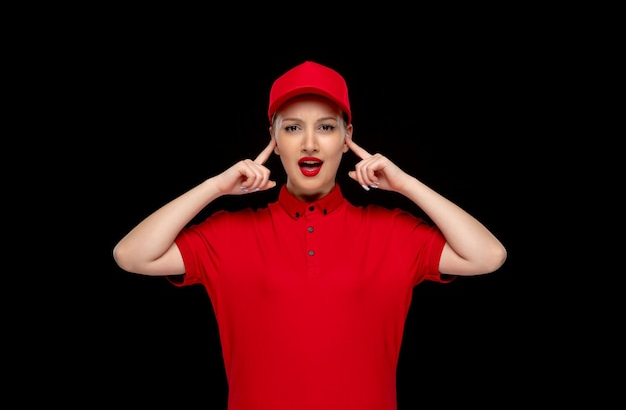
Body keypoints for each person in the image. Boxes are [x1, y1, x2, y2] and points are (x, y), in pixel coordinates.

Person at [113, 60, 507, 410]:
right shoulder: (228, 234)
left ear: (346, 137)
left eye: (326, 127)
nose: (310, 143)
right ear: (274, 139)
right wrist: (216, 186)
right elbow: (132, 255)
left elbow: (486, 256)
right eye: (293, 127)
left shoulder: (393, 231)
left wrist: (406, 185)